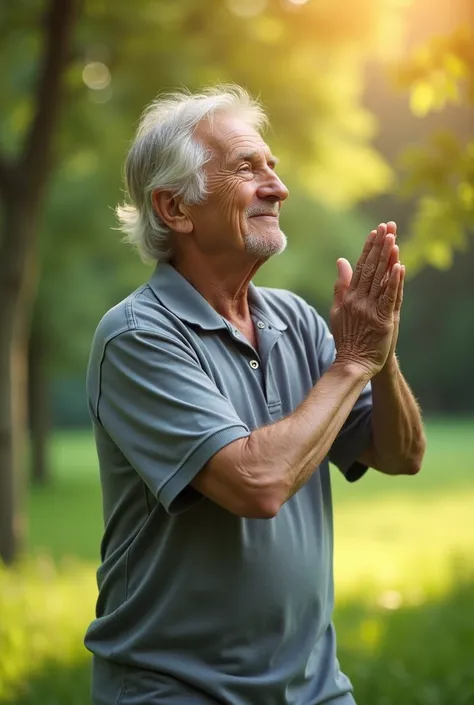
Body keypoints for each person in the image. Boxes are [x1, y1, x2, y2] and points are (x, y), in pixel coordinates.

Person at [85, 85, 426, 705]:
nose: (278, 186)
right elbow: (256, 484)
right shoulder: (137, 337)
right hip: (178, 691)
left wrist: (380, 354)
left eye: (272, 165)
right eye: (247, 167)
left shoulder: (294, 319)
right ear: (175, 208)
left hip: (316, 687)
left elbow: (400, 454)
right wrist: (352, 361)